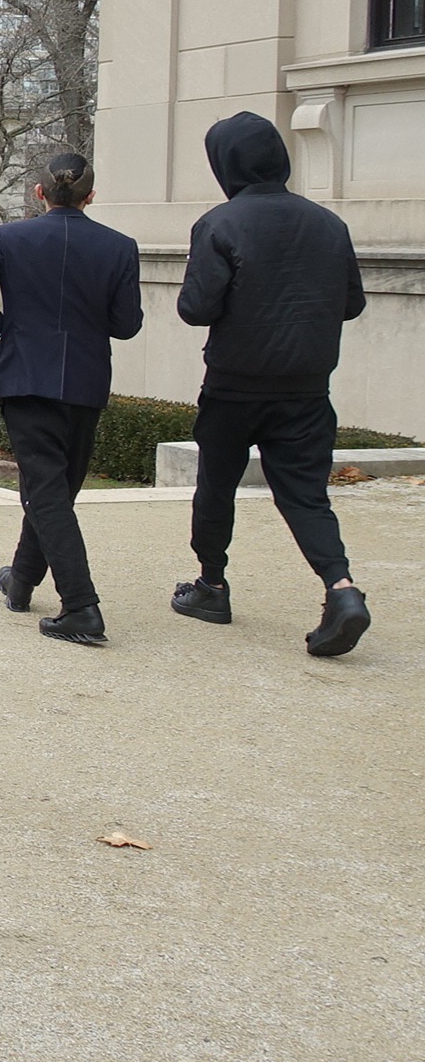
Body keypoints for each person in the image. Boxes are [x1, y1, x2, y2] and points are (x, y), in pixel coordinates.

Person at [169, 111, 371, 657]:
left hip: (234, 385)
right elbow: (352, 303)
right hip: (307, 387)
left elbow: (195, 308)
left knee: (217, 486)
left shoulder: (219, 224)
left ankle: (212, 585)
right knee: (306, 496)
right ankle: (341, 588)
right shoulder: (329, 224)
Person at [0, 152, 144, 646]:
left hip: (27, 378)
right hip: (84, 380)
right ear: (90, 196)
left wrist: (0, 331)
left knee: (47, 492)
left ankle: (80, 606)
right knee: (54, 490)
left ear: (39, 193)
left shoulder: (10, 238)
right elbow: (126, 325)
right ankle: (23, 580)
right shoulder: (119, 247)